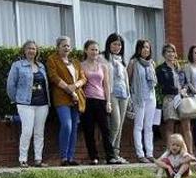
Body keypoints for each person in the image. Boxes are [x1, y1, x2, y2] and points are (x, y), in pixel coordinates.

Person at [7, 40, 49, 168]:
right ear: (24, 51)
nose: (32, 51)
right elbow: (10, 85)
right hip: (25, 103)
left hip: (42, 104)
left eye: (34, 49)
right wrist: (17, 99)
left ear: (37, 51)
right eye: (29, 48)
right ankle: (23, 159)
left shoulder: (41, 66)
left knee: (39, 132)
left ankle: (38, 159)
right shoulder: (17, 65)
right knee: (27, 130)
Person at [47, 36, 86, 166]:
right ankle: (63, 157)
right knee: (67, 125)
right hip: (61, 97)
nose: (66, 48)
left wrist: (75, 86)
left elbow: (83, 78)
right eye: (64, 45)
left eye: (68, 45)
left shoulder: (75, 62)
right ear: (58, 47)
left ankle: (70, 157)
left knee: (74, 127)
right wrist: (69, 89)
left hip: (76, 97)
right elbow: (53, 76)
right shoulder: (53, 60)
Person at [79, 40, 115, 165]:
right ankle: (93, 157)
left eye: (96, 50)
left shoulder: (103, 66)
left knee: (106, 130)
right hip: (87, 101)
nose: (94, 52)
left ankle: (110, 156)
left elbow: (106, 85)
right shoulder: (81, 66)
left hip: (101, 100)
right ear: (86, 50)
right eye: (92, 49)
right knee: (89, 130)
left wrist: (108, 102)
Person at [157, 43, 193, 156]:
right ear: (164, 54)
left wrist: (184, 90)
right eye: (168, 51)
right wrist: (177, 90)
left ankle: (190, 153)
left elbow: (186, 83)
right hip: (170, 98)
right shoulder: (161, 69)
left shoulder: (179, 68)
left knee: (186, 126)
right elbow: (162, 85)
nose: (171, 54)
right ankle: (170, 153)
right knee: (170, 127)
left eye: (172, 51)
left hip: (182, 98)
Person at [127, 39, 157, 163]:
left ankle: (150, 153)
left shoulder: (152, 63)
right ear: (138, 49)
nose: (146, 50)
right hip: (138, 98)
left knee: (149, 126)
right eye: (144, 47)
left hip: (151, 97)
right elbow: (128, 81)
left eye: (148, 48)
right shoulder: (133, 62)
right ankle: (140, 154)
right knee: (138, 126)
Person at [102, 34, 129, 164]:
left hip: (124, 94)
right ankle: (109, 153)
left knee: (120, 126)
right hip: (111, 94)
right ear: (109, 44)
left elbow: (126, 79)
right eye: (114, 44)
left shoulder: (121, 60)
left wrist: (129, 95)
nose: (117, 47)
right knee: (115, 124)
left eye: (119, 44)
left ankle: (116, 154)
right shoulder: (103, 58)